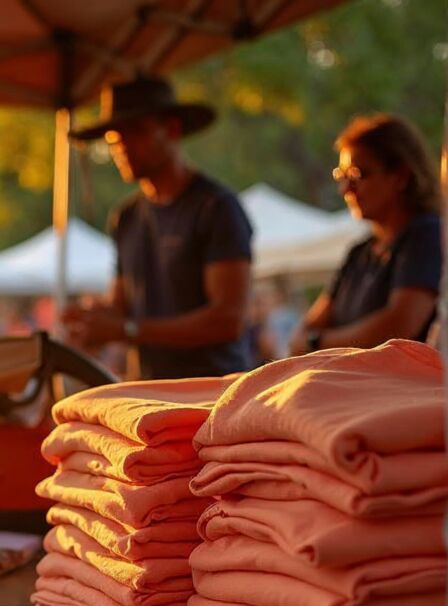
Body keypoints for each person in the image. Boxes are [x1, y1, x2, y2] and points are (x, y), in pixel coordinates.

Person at [62, 74, 253, 379]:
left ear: (173, 129)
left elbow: (227, 320)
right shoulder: (126, 216)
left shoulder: (216, 207)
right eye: (113, 137)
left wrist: (125, 329)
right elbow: (121, 305)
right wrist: (92, 320)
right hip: (150, 393)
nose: (121, 145)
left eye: (135, 131)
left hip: (211, 395)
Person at [289, 114, 442, 355]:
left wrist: (317, 343)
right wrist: (313, 341)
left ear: (400, 176)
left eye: (358, 175)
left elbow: (399, 326)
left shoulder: (427, 235)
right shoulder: (359, 253)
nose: (346, 189)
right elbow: (302, 334)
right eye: (341, 177)